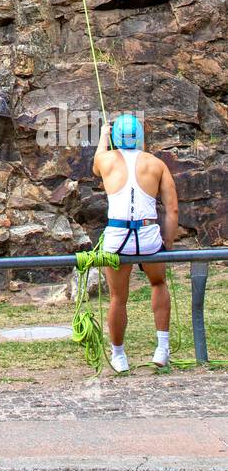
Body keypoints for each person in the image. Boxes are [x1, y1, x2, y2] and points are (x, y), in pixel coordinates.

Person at [93, 114, 179, 373]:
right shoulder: (156, 164)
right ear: (140, 137)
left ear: (116, 137)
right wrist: (168, 244)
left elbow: (96, 162)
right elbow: (172, 209)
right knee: (158, 283)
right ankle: (162, 348)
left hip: (118, 238)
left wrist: (103, 136)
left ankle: (119, 356)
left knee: (118, 298)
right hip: (148, 235)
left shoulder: (105, 160)